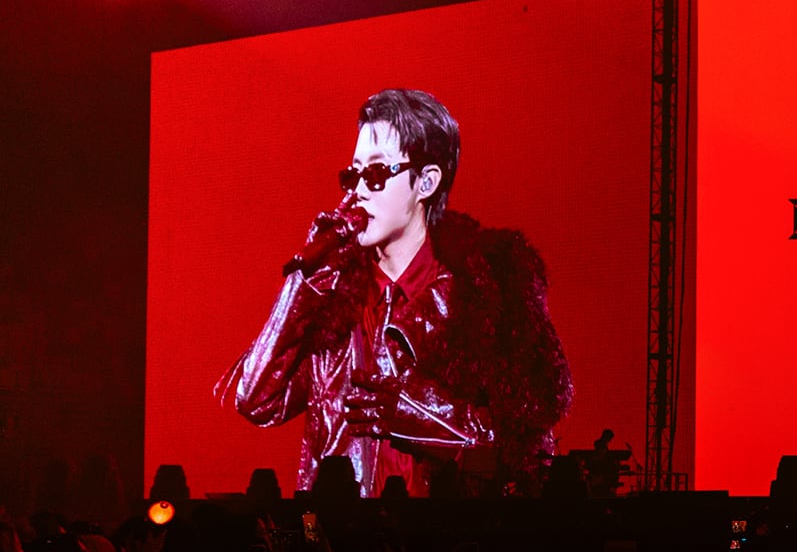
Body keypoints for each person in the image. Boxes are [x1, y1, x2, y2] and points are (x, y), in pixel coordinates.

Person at [218, 89, 573, 498]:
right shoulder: (334, 301)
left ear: (426, 182)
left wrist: (416, 413)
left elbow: (525, 443)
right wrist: (303, 284)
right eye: (352, 176)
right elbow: (255, 399)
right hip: (333, 528)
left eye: (375, 174)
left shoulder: (483, 295)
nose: (357, 192)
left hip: (442, 532)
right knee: (301, 529)